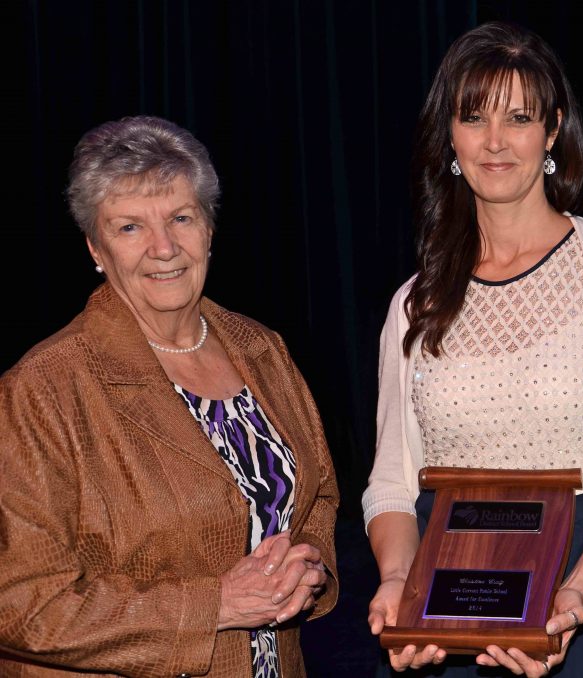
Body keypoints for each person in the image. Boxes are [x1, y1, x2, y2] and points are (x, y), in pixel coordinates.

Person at [362, 21, 583, 678]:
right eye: (473, 116)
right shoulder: (413, 304)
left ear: (553, 130)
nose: (496, 140)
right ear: (449, 135)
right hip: (444, 611)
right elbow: (391, 482)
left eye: (520, 116)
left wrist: (572, 595)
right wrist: (399, 582)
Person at [0, 116, 339, 677]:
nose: (164, 248)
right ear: (96, 248)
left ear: (208, 228)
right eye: (130, 227)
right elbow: (21, 603)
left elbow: (317, 499)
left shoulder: (262, 350)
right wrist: (215, 606)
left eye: (181, 218)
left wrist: (310, 569)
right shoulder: (44, 389)